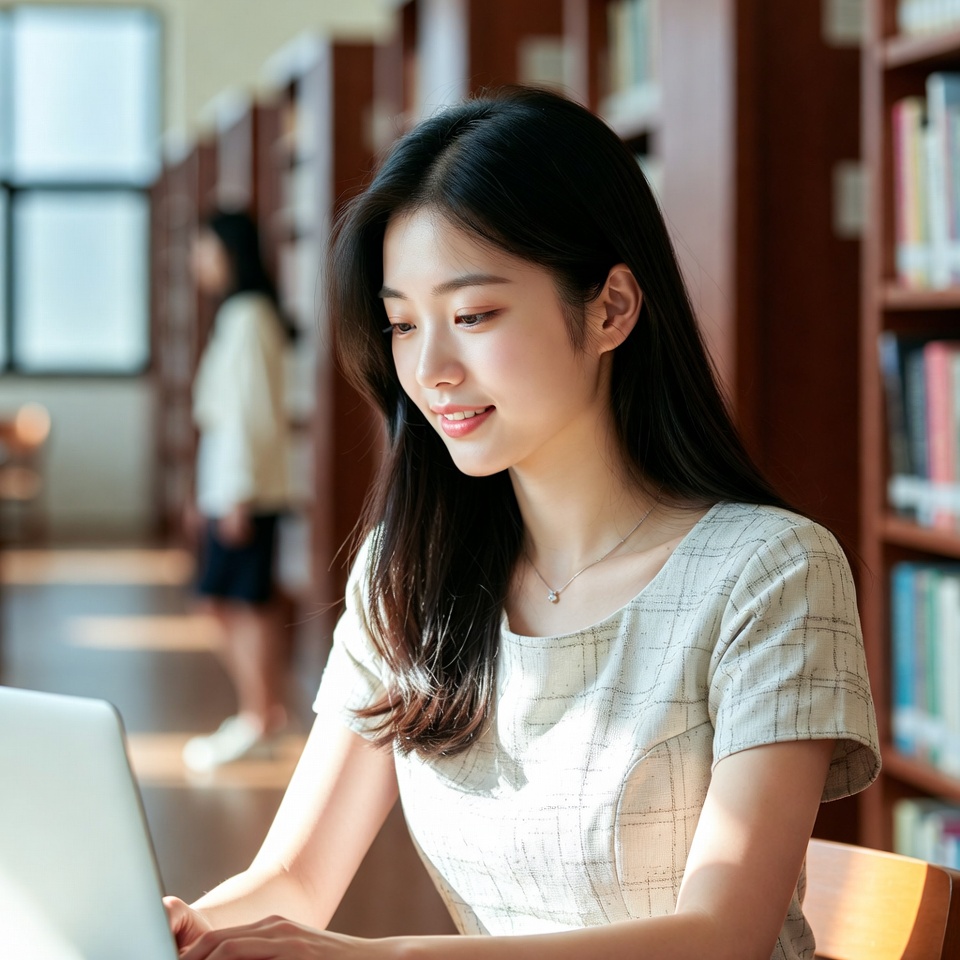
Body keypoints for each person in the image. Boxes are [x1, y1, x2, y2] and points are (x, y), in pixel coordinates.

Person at [164, 87, 880, 958]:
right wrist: (176, 929)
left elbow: (720, 938)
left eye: (473, 316)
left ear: (611, 308)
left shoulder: (771, 573)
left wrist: (377, 959)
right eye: (401, 324)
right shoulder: (409, 572)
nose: (430, 369)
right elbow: (296, 881)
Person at [182, 209, 293, 772]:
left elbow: (251, 417)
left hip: (243, 494)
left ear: (228, 252)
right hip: (228, 490)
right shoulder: (237, 315)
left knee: (242, 606)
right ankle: (261, 713)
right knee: (232, 603)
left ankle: (260, 715)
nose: (195, 259)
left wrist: (238, 497)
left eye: (202, 247)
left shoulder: (248, 316)